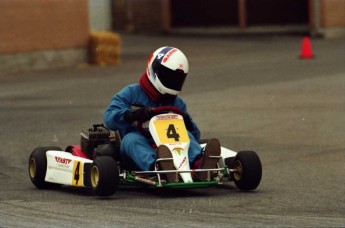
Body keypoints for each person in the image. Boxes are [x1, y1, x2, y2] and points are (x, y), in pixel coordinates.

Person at [104, 46, 220, 182]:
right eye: (169, 76)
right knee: (131, 140)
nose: (173, 81)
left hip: (171, 147)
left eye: (177, 78)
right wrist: (132, 115)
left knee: (186, 135)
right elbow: (109, 118)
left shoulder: (176, 102)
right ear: (155, 70)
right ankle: (158, 166)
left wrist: (187, 123)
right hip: (137, 148)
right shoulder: (131, 93)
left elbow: (196, 136)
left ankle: (200, 164)